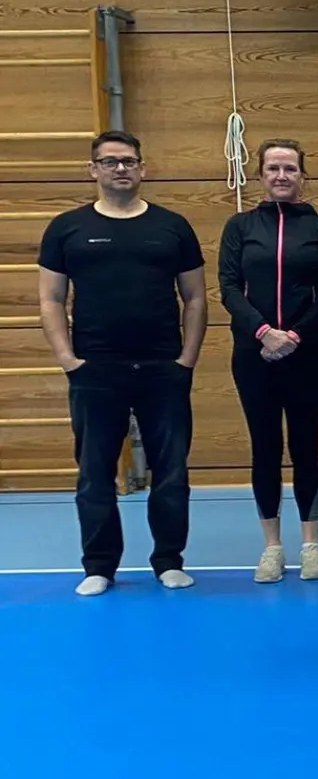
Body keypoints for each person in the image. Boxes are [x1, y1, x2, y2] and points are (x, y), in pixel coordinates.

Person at [37, 131, 207, 597]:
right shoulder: (66, 228)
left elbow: (194, 297)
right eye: (109, 162)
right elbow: (51, 299)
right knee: (94, 472)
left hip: (162, 368)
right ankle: (99, 565)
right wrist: (69, 360)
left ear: (142, 168)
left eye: (128, 161)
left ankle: (169, 560)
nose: (120, 169)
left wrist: (186, 358)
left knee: (170, 471)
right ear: (93, 170)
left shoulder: (172, 226)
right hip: (96, 369)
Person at [218, 138, 318, 584]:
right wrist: (263, 332)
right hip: (253, 355)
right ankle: (272, 546)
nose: (282, 176)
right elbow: (229, 287)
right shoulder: (240, 227)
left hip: (304, 353)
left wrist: (293, 334)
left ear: (303, 176)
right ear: (261, 176)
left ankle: (311, 544)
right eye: (273, 168)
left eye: (290, 168)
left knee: (306, 445)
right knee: (265, 446)